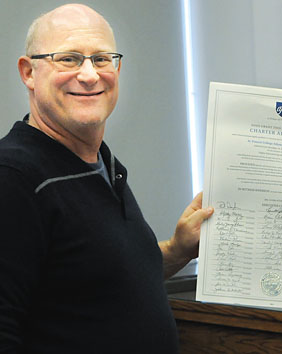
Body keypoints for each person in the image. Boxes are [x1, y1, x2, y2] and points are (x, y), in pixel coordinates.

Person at [0, 4, 213, 353]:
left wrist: (177, 251)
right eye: (68, 58)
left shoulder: (101, 164)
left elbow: (95, 281)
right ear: (28, 72)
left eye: (101, 59)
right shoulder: (15, 178)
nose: (89, 75)